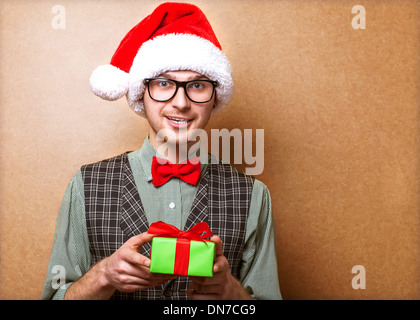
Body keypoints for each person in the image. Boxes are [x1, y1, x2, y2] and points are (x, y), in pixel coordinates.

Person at [42, 2, 282, 300]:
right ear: (142, 92)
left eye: (196, 85)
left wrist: (231, 292)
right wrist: (103, 275)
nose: (180, 102)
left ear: (215, 97)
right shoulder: (85, 185)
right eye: (164, 83)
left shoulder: (254, 195)